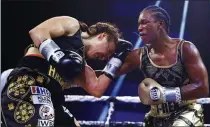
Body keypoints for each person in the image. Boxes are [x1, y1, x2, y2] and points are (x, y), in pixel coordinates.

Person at [1, 16, 132, 127]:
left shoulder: (79, 63)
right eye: (108, 51)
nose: (104, 58)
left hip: (52, 97)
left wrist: (117, 59)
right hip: (31, 83)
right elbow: (38, 31)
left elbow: (96, 88)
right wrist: (56, 55)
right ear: (103, 36)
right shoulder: (72, 27)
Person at [115, 5, 208, 126]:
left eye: (144, 23)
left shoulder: (185, 49)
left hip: (186, 112)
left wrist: (164, 94)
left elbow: (202, 88)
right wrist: (115, 57)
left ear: (160, 24)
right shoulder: (138, 55)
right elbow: (108, 75)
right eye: (138, 24)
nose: (139, 28)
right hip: (155, 116)